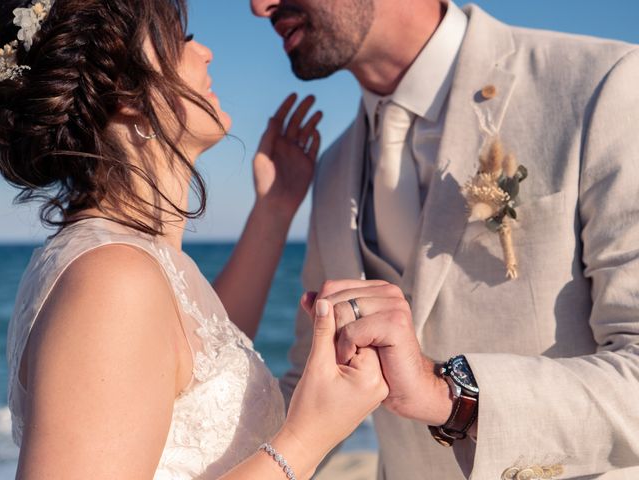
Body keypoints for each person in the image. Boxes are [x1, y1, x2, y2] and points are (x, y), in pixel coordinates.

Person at [0, 0, 390, 478]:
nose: (204, 52)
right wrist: (307, 437)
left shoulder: (133, 260)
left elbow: (194, 355)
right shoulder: (112, 281)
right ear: (127, 95)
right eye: (180, 41)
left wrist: (274, 209)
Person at [251, 0, 639, 478]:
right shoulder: (330, 169)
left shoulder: (603, 84)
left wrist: (449, 395)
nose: (258, 6)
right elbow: (309, 380)